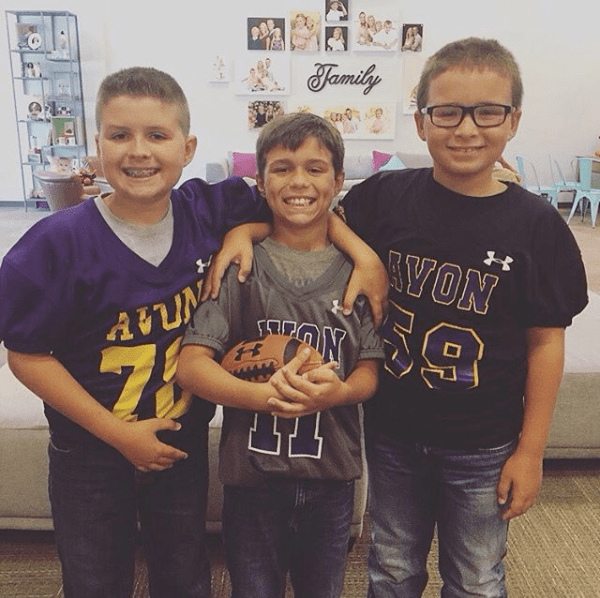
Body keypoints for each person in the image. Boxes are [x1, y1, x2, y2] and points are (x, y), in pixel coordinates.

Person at [336, 37, 588, 597]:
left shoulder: (536, 226)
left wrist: (530, 450)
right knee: (393, 565)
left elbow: (545, 344)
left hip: (485, 443)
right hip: (393, 432)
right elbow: (322, 219)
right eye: (446, 112)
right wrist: (365, 256)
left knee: (476, 576)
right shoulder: (387, 196)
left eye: (487, 112)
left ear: (513, 120)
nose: (466, 129)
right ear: (422, 121)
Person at [176, 112, 385, 598]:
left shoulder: (360, 271)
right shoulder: (238, 268)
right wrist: (262, 396)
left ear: (338, 182)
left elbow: (370, 373)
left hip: (332, 478)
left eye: (315, 169)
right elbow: (191, 366)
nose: (298, 181)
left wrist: (338, 393)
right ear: (259, 180)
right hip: (252, 481)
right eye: (282, 167)